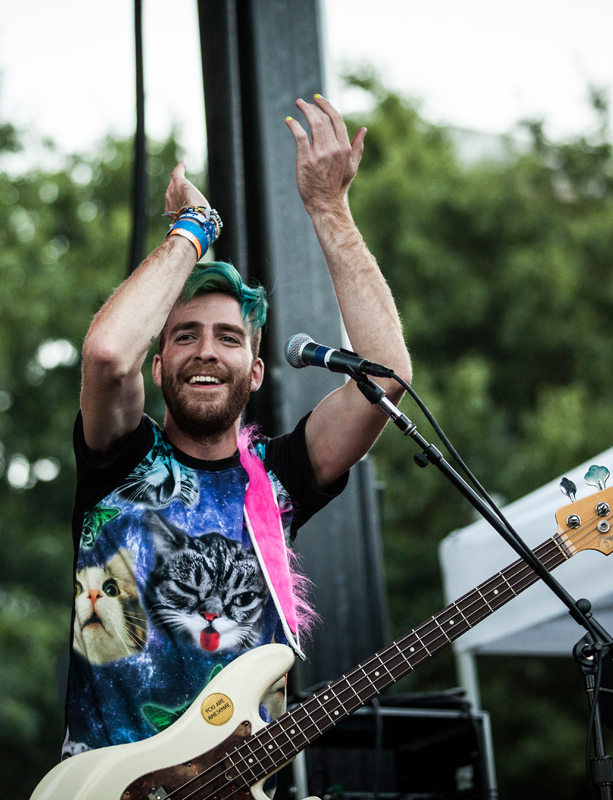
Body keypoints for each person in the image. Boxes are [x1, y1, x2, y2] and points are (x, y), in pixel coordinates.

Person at [63, 95, 411, 759]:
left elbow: (386, 378)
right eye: (184, 336)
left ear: (254, 372)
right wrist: (193, 230)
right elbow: (107, 354)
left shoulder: (280, 478)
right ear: (158, 362)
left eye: (228, 338)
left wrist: (330, 208)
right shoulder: (121, 457)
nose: (205, 351)